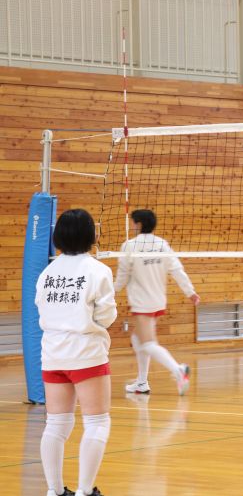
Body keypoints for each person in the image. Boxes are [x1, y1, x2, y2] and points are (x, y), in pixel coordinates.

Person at [36, 208, 116, 496]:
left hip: (52, 355)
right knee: (96, 421)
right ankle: (84, 492)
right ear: (90, 236)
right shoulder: (99, 271)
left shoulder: (47, 272)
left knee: (56, 423)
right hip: (86, 355)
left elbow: (41, 310)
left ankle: (54, 491)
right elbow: (106, 317)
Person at [114, 209, 199, 396]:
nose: (132, 226)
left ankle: (178, 370)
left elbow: (122, 275)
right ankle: (142, 382)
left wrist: (110, 292)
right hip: (158, 301)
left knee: (147, 343)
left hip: (142, 302)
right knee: (137, 339)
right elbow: (177, 269)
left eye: (133, 222)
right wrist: (190, 292)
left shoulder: (130, 246)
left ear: (139, 224)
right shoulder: (163, 244)